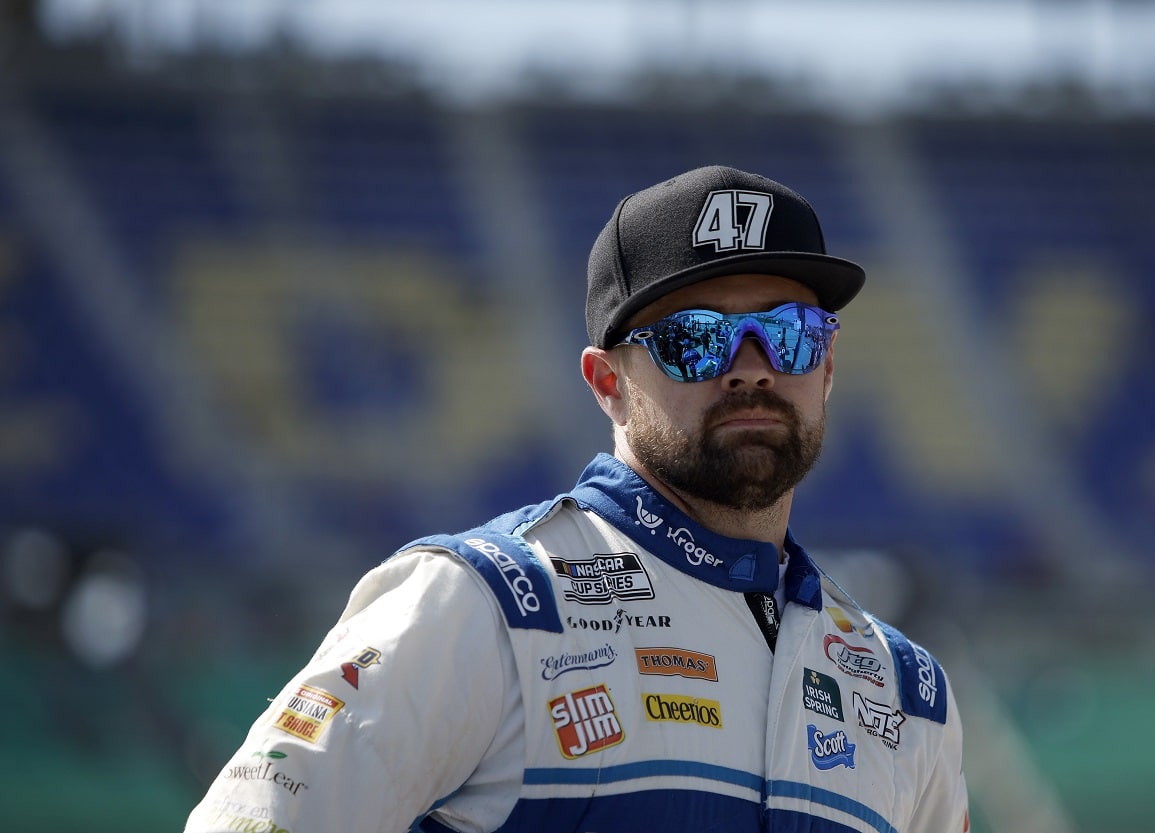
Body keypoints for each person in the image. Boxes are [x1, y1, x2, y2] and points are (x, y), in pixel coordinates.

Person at [185, 165, 969, 833]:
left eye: (791, 333)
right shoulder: (482, 602)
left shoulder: (907, 691)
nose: (753, 368)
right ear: (607, 384)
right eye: (698, 337)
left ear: (826, 367)